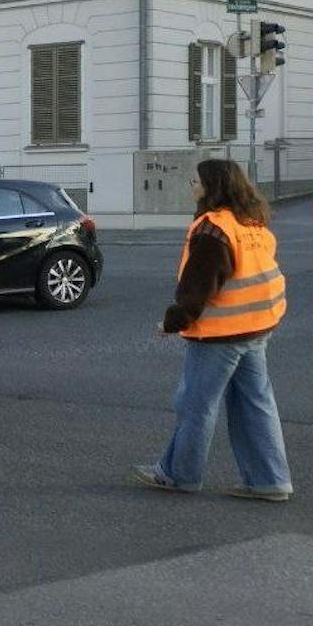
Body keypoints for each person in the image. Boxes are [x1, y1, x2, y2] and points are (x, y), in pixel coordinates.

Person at [129, 159, 292, 501]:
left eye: (196, 181)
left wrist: (173, 323)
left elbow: (199, 287)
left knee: (196, 405)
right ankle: (271, 480)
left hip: (220, 334)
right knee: (257, 403)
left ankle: (179, 475)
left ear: (212, 186)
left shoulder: (211, 230)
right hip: (258, 327)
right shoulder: (252, 223)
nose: (192, 186)